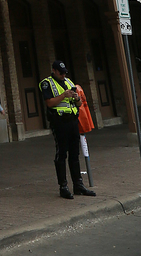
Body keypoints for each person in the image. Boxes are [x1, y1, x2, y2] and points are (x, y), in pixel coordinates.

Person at [39, 60, 96, 200]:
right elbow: (49, 103)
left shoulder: (69, 82)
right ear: (54, 70)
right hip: (59, 122)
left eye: (64, 72)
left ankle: (78, 184)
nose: (63, 74)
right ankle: (63, 186)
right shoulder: (47, 83)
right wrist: (64, 95)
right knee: (61, 154)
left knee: (75, 154)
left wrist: (76, 98)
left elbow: (79, 103)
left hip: (72, 121)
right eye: (60, 72)